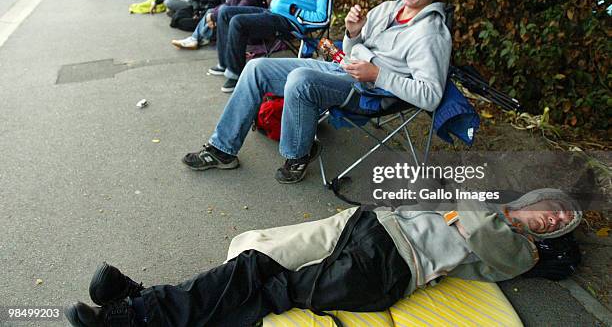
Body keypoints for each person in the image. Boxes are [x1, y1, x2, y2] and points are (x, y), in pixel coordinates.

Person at [64, 188, 582, 326]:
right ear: (536, 196)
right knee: (253, 262)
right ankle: (144, 305)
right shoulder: (486, 198)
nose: (554, 218)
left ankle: (137, 313)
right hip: (367, 224)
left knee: (267, 289)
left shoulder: (520, 251)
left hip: (389, 268)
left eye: (563, 223)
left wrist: (463, 204)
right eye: (555, 208)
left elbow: (476, 227)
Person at [183, 0, 449, 184]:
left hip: (370, 91)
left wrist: (378, 74)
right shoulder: (389, 9)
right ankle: (222, 149)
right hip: (344, 68)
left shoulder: (431, 34)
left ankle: (298, 154)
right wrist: (353, 32)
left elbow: (431, 96)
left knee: (301, 79)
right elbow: (349, 49)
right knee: (257, 68)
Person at [209, 0, 334, 93]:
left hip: (288, 23)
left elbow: (323, 18)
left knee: (238, 22)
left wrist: (296, 12)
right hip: (272, 12)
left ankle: (235, 75)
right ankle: (224, 64)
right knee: (225, 13)